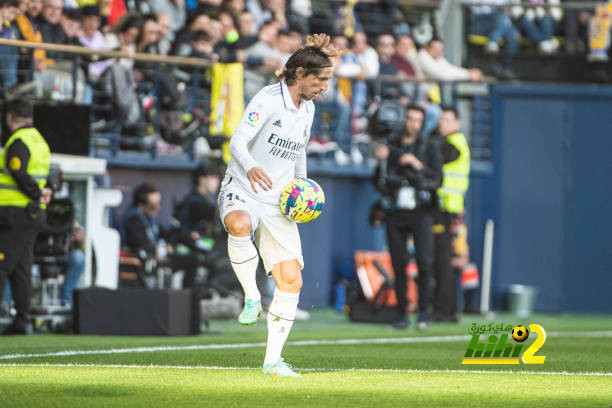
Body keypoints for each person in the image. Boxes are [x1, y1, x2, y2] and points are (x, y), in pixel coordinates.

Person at [217, 33, 337, 377]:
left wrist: (303, 189)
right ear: (299, 73)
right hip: (243, 186)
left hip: (279, 201)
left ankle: (272, 361)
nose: (324, 88)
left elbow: (298, 151)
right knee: (239, 224)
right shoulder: (267, 99)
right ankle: (252, 296)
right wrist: (251, 167)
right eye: (321, 79)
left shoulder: (309, 109)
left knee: (291, 281)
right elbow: (237, 140)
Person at [373, 105, 442, 330]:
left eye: (417, 120)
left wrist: (416, 164)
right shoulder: (391, 145)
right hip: (396, 211)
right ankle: (401, 313)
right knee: (398, 263)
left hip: (421, 210)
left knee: (424, 262)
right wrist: (380, 161)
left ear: (422, 123)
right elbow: (378, 181)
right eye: (410, 119)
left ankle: (424, 312)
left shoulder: (429, 145)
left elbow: (438, 178)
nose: (413, 124)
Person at [0, 97, 52, 335]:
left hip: (14, 214)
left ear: (10, 118)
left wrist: (36, 191)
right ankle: (23, 320)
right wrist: (42, 191)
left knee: (2, 265)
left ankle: (21, 320)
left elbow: (17, 169)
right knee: (21, 268)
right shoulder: (40, 141)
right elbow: (41, 175)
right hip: (31, 214)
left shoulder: (18, 140)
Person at [432, 108, 470, 323]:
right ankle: (444, 308)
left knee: (443, 261)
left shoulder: (453, 144)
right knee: (441, 260)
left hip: (446, 209)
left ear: (457, 122)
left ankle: (446, 310)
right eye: (440, 119)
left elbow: (433, 159)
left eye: (447, 119)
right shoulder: (451, 142)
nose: (441, 123)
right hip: (446, 208)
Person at [123, 182, 198, 289]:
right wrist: (159, 247)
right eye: (153, 206)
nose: (158, 208)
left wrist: (172, 242)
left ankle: (201, 247)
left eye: (159, 204)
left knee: (179, 232)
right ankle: (189, 295)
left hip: (159, 253)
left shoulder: (151, 219)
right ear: (141, 205)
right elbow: (139, 243)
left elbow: (166, 233)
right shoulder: (134, 220)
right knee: (191, 261)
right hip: (147, 258)